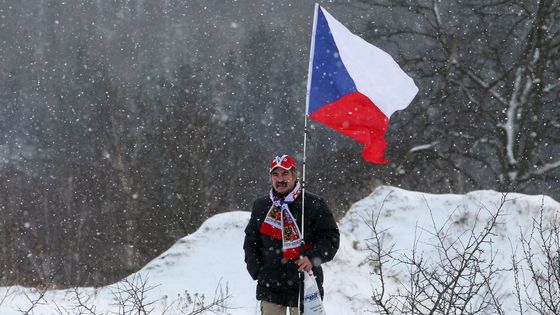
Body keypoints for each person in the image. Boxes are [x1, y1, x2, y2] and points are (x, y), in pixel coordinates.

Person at [244, 154, 340, 315]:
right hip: (271, 286)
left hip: (305, 283)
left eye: (285, 174)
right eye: (275, 174)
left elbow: (331, 238)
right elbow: (251, 242)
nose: (280, 179)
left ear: (295, 175)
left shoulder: (312, 204)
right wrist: (258, 271)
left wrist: (312, 257)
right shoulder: (261, 205)